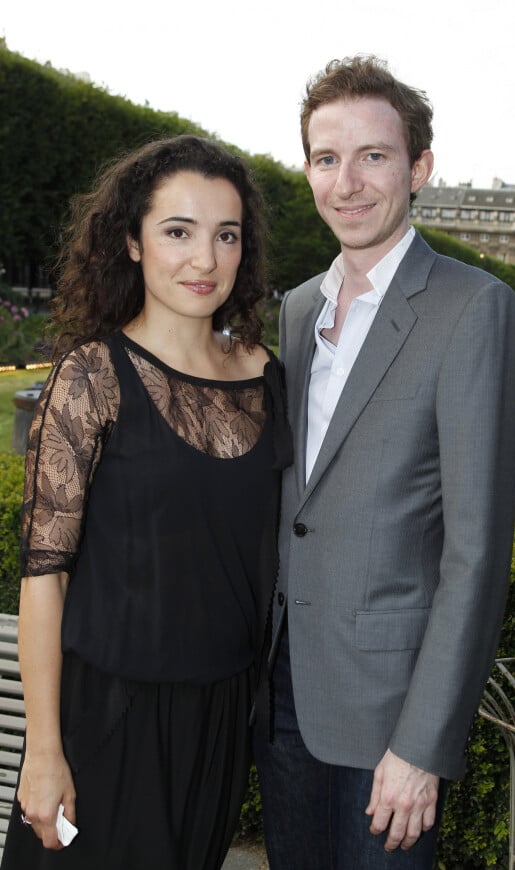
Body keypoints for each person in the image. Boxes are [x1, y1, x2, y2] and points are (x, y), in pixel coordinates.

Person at [254, 56, 515, 869]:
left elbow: (476, 554)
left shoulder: (474, 308)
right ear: (307, 170)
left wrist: (423, 746)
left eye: (373, 155)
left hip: (389, 725)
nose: (349, 182)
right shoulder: (297, 308)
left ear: (419, 167)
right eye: (326, 158)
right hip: (283, 699)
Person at [2, 134, 291, 870]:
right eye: (177, 231)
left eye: (226, 235)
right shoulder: (92, 377)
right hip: (107, 719)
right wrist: (43, 752)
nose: (205, 259)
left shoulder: (268, 376)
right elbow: (45, 576)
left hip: (222, 718)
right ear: (131, 242)